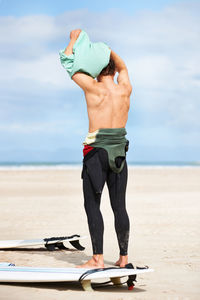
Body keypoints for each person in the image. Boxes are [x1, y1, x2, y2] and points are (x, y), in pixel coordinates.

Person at [64, 29, 132, 268]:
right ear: (113, 69)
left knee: (92, 204)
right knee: (119, 206)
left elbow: (67, 61)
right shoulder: (125, 88)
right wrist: (108, 51)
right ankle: (123, 258)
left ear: (97, 69)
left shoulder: (92, 87)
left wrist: (74, 40)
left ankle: (97, 258)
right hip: (120, 154)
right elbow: (123, 67)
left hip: (96, 154)